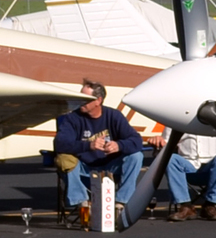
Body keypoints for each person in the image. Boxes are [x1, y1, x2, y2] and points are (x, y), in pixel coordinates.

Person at [52, 80, 146, 214]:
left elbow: (136, 140)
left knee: (136, 156)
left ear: (98, 100)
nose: (81, 101)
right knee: (63, 158)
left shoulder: (113, 116)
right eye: (80, 97)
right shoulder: (72, 118)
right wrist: (89, 145)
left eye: (86, 99)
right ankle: (83, 203)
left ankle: (121, 203)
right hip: (84, 166)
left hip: (111, 166)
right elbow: (60, 143)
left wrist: (119, 145)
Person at [165, 132, 216, 220]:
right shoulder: (177, 118)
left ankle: (210, 205)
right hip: (187, 167)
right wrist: (159, 140)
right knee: (170, 158)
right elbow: (165, 142)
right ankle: (186, 206)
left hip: (213, 167)